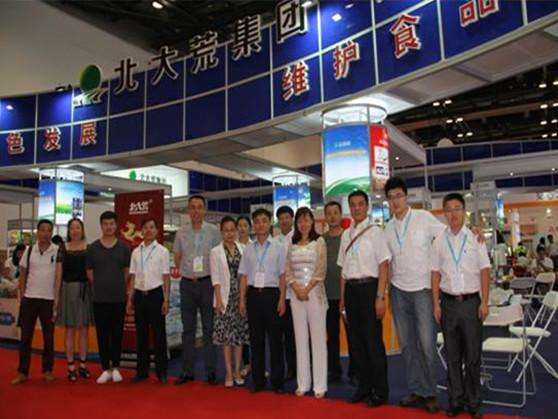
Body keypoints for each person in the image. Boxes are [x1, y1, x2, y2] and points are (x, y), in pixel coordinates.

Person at [383, 177, 445, 413]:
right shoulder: (388, 228)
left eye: (399, 196)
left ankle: (431, 393)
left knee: (427, 345)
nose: (395, 201)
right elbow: (386, 262)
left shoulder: (423, 218)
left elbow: (447, 235)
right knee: (407, 346)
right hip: (398, 292)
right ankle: (416, 390)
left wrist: (473, 232)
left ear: (406, 197)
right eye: (391, 198)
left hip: (423, 290)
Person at [431, 193, 491, 419]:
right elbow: (435, 274)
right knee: (452, 356)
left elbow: (485, 271)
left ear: (464, 211)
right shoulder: (438, 241)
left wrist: (485, 302)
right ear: (444, 214)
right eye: (449, 209)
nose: (453, 213)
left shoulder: (476, 238)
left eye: (457, 208)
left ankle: (473, 401)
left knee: (473, 356)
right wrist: (435, 304)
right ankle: (456, 400)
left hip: (471, 303)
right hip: (448, 304)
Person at [337, 190, 391, 407]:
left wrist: (380, 296)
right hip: (351, 291)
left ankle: (380, 390)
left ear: (367, 206)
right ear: (349, 208)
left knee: (373, 342)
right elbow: (342, 271)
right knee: (356, 343)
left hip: (370, 289)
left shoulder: (376, 232)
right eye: (353, 204)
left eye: (360, 204)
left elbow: (384, 265)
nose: (357, 208)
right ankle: (364, 386)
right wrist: (342, 299)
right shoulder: (345, 235)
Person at [173, 195, 221, 386]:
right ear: (188, 210)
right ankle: (187, 371)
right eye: (192, 207)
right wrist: (188, 271)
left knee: (209, 329)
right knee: (188, 330)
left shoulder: (213, 232)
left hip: (207, 283)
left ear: (204, 210)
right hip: (187, 284)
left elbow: (218, 257)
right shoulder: (181, 232)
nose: (196, 211)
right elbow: (177, 256)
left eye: (199, 207)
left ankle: (211, 372)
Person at [239, 208, 286, 393]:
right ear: (253, 224)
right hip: (253, 296)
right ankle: (258, 381)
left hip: (272, 295)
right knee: (256, 340)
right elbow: (243, 276)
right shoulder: (248, 249)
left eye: (264, 221)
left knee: (275, 341)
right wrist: (242, 300)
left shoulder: (278, 247)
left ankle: (277, 382)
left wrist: (282, 299)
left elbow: (282, 275)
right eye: (257, 221)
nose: (260, 225)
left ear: (270, 223)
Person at [11, 219, 62, 385]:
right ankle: (22, 372)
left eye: (49, 230)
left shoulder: (57, 251)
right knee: (25, 337)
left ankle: (47, 370)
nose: (46, 233)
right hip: (29, 298)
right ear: (37, 232)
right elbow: (22, 274)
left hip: (48, 300)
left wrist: (56, 299)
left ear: (52, 232)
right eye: (42, 230)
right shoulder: (29, 250)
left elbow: (58, 277)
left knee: (49, 338)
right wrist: (22, 295)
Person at [285, 207, 328, 399]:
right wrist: (297, 289)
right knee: (300, 339)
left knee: (318, 340)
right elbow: (288, 270)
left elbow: (321, 269)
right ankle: (302, 383)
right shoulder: (291, 244)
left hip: (314, 295)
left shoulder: (319, 242)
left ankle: (320, 385)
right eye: (300, 220)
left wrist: (307, 289)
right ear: (296, 224)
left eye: (307, 220)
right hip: (296, 296)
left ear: (312, 222)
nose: (303, 224)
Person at [86, 211, 131, 384]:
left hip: (118, 298)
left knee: (117, 334)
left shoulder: (124, 248)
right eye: (105, 224)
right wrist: (101, 284)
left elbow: (126, 271)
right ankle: (105, 368)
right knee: (102, 335)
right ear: (101, 226)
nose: (109, 227)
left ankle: (116, 367)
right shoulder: (93, 248)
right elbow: (90, 272)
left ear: (116, 225)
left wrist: (117, 284)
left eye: (111, 223)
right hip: (99, 299)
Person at [127, 218, 170, 384]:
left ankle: (162, 372)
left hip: (156, 295)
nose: (149, 230)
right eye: (145, 228)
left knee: (159, 335)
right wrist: (130, 299)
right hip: (139, 295)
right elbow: (132, 278)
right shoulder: (135, 252)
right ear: (142, 231)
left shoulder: (162, 251)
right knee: (141, 335)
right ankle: (141, 372)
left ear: (157, 231)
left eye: (152, 227)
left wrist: (166, 300)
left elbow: (166, 277)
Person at [210, 216, 249, 388]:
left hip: (239, 297)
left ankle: (237, 370)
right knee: (226, 338)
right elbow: (216, 278)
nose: (230, 233)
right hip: (224, 298)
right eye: (226, 230)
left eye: (232, 230)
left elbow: (244, 275)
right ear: (221, 232)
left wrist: (242, 299)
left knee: (238, 337)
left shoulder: (243, 249)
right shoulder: (215, 252)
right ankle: (228, 371)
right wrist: (218, 300)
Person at [322, 201, 354, 384]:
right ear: (325, 217)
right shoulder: (321, 240)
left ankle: (355, 372)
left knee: (352, 335)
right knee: (332, 336)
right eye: (329, 213)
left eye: (335, 212)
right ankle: (334, 371)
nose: (332, 216)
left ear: (341, 215)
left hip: (347, 295)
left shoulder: (348, 237)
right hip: (327, 296)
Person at [57, 218, 93, 382]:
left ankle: (83, 365)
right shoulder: (63, 248)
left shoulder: (89, 248)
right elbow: (59, 274)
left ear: (82, 230)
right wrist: (56, 295)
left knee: (84, 330)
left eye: (78, 227)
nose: (75, 231)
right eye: (72, 228)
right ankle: (71, 366)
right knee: (70, 330)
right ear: (69, 231)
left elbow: (92, 272)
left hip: (86, 291)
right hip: (68, 290)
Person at [275, 205, 297, 381]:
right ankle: (282, 368)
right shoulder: (274, 241)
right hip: (277, 294)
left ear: (292, 219)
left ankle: (294, 368)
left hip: (294, 294)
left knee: (292, 335)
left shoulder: (297, 238)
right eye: (281, 218)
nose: (284, 221)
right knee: (278, 335)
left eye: (287, 217)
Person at [236, 215, 253, 376]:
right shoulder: (232, 246)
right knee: (241, 330)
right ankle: (244, 363)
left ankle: (255, 364)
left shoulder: (254, 246)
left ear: (249, 228)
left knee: (253, 329)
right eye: (239, 225)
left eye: (245, 225)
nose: (242, 228)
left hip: (252, 292)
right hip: (236, 292)